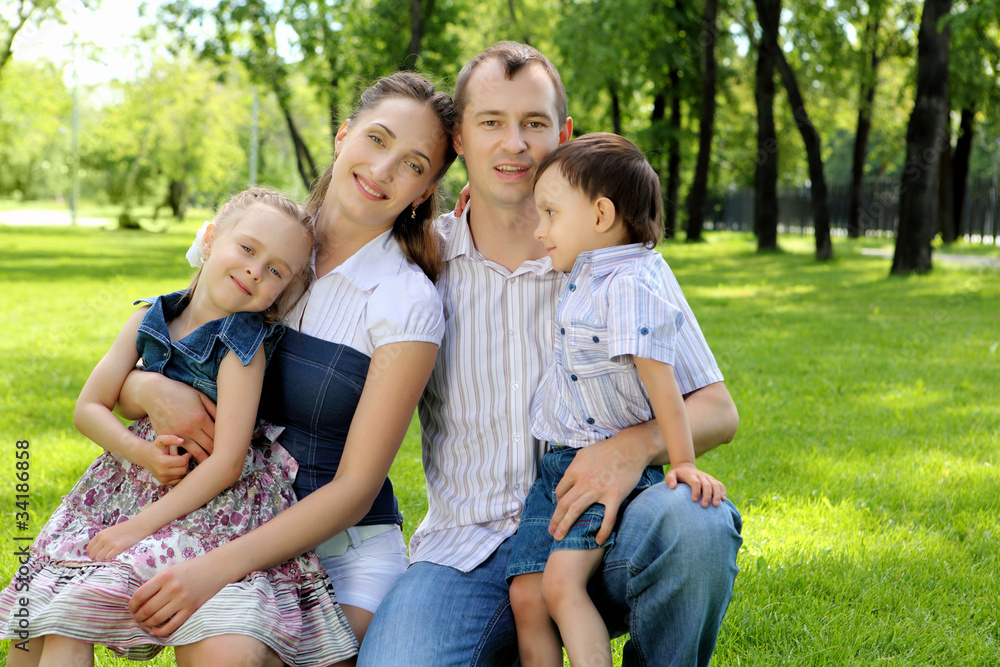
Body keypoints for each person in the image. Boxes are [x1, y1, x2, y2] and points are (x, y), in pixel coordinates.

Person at [357, 42, 743, 667]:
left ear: (562, 133)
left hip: (601, 532)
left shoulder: (620, 267)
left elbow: (718, 409)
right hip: (466, 550)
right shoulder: (420, 265)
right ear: (459, 139)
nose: (514, 144)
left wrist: (630, 447)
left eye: (533, 124)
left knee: (694, 524)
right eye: (491, 123)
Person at [109, 72, 457, 667]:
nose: (382, 169)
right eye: (376, 140)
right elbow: (148, 352)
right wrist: (148, 387)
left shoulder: (405, 301)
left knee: (228, 656)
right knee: (48, 613)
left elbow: (355, 490)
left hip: (341, 558)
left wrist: (211, 570)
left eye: (414, 164)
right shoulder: (258, 243)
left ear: (424, 193)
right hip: (219, 523)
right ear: (343, 135)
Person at [0, 187, 359, 667]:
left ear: (284, 291)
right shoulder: (150, 318)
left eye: (276, 271)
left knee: (70, 611)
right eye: (247, 248)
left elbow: (229, 462)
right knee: (37, 623)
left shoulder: (240, 347)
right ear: (210, 239)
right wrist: (141, 454)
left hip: (204, 508)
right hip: (124, 489)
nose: (255, 270)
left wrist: (139, 527)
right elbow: (89, 407)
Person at [505, 132, 728, 667]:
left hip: (600, 464)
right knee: (527, 596)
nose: (540, 231)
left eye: (551, 214)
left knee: (560, 588)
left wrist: (683, 462)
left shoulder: (632, 285)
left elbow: (664, 387)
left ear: (601, 214)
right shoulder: (586, 271)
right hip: (558, 467)